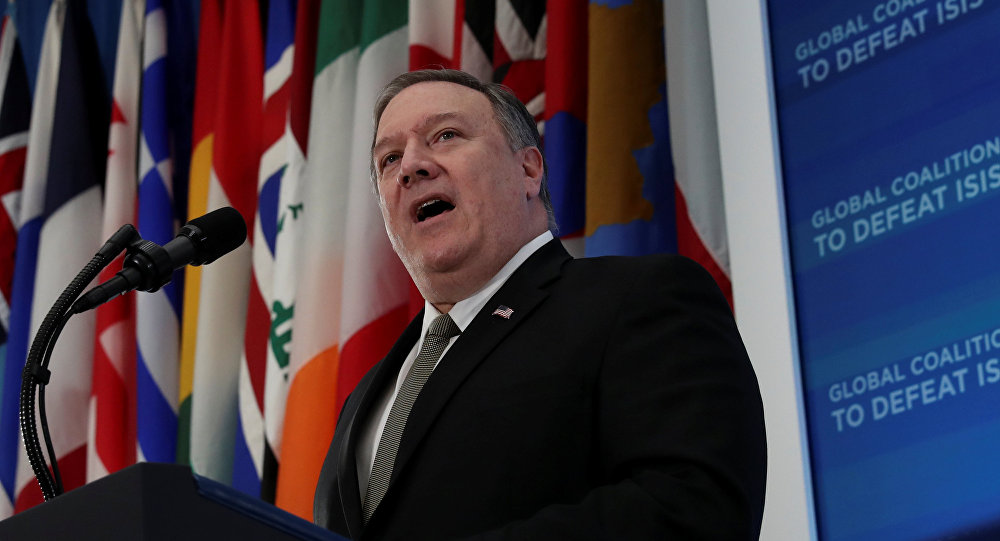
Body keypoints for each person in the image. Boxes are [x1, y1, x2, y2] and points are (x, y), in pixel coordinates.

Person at [313, 68, 766, 540]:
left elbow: (695, 509)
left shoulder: (639, 300)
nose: (410, 166)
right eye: (389, 159)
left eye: (445, 135)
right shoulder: (363, 397)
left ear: (529, 170)